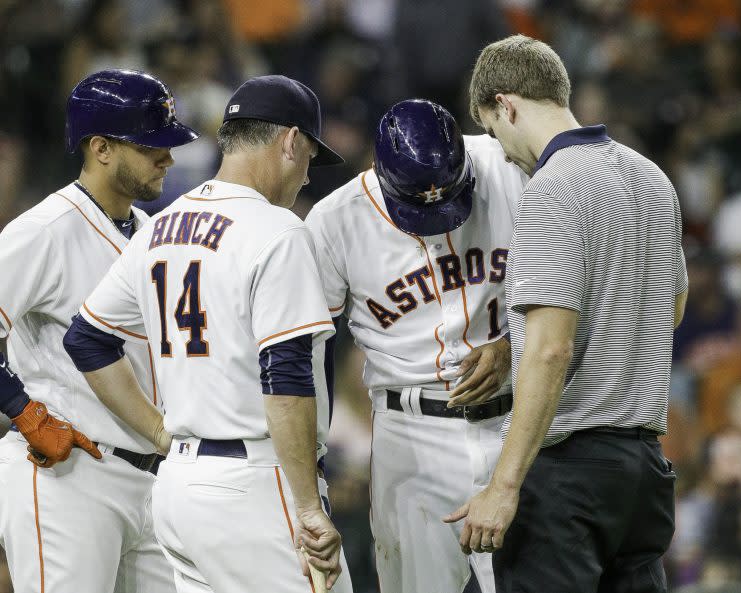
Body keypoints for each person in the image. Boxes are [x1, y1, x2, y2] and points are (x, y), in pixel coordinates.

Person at [63, 75, 354, 593]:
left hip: (179, 490)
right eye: (310, 155)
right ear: (290, 141)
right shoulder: (277, 230)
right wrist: (308, 506)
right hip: (258, 486)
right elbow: (284, 374)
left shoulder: (158, 226)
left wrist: (158, 432)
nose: (308, 175)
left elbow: (86, 338)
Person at [446, 34, 688, 593]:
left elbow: (551, 348)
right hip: (644, 473)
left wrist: (504, 485)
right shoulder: (652, 176)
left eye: (493, 129)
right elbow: (671, 310)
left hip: (568, 475)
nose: (502, 150)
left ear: (506, 105)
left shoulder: (550, 188)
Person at [305, 99, 527, 593]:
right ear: (378, 174)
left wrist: (516, 346)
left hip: (518, 424)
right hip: (411, 435)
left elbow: (572, 289)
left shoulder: (508, 167)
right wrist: (313, 462)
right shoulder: (335, 220)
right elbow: (309, 347)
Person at [0, 69, 198, 593]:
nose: (168, 157)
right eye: (150, 145)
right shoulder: (43, 231)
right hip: (68, 474)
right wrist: (21, 408)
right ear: (101, 148)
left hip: (153, 480)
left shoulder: (156, 232)